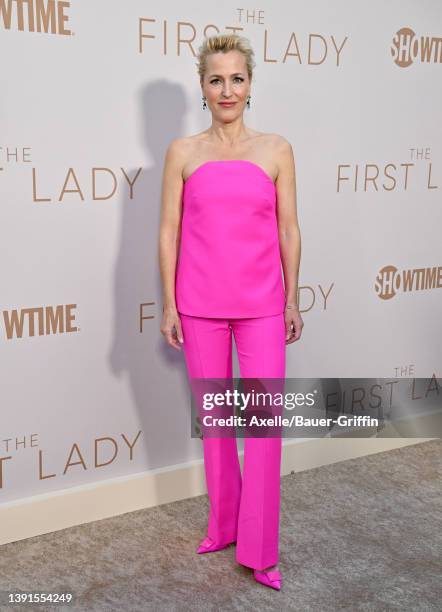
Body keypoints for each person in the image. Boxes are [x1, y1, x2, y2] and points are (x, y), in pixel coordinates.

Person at [159, 32, 303, 591]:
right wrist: (169, 302)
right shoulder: (183, 153)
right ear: (202, 87)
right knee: (217, 425)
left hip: (263, 304)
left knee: (263, 428)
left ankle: (262, 551)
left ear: (250, 85)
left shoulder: (276, 149)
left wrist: (292, 297)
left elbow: (288, 228)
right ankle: (223, 527)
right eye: (216, 79)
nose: (227, 89)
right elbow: (169, 231)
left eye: (236, 78)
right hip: (198, 305)